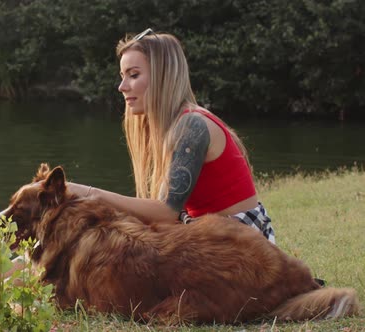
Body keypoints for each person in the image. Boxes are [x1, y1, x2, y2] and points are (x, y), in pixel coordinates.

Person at [67, 28, 275, 243]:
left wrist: (90, 194)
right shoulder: (175, 124)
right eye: (122, 76)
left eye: (134, 75)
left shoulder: (192, 126)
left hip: (242, 249)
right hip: (215, 239)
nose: (122, 87)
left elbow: (166, 212)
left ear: (162, 76)